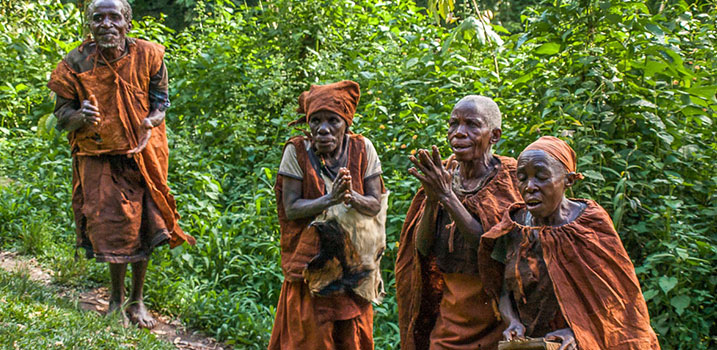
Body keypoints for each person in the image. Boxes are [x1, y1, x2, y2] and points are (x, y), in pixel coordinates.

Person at [47, 0, 195, 329]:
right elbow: (61, 118)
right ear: (90, 25)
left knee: (147, 225)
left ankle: (137, 301)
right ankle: (115, 301)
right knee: (114, 229)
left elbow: (161, 103)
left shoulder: (149, 56)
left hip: (143, 153)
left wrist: (149, 121)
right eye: (98, 18)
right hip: (99, 157)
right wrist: (79, 117)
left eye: (114, 17)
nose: (106, 24)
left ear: (127, 23)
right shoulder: (75, 63)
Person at [478, 136, 661, 350]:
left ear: (569, 180)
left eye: (541, 177)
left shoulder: (589, 225)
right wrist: (513, 322)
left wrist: (577, 331)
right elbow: (504, 291)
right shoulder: (515, 226)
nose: (530, 187)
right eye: (522, 178)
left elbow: (616, 299)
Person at [396, 95, 522, 350]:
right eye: (454, 124)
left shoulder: (511, 178)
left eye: (472, 125)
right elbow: (421, 249)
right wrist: (432, 200)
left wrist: (446, 196)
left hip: (500, 318)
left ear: (494, 135)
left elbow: (490, 247)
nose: (459, 133)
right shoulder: (443, 175)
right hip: (451, 318)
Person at [269, 80, 386, 350]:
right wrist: (329, 200)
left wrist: (349, 196)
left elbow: (374, 204)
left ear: (346, 123)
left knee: (350, 336)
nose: (323, 129)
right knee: (309, 337)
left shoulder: (362, 148)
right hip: (311, 266)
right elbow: (291, 208)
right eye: (315, 121)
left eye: (333, 120)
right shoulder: (296, 151)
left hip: (353, 267)